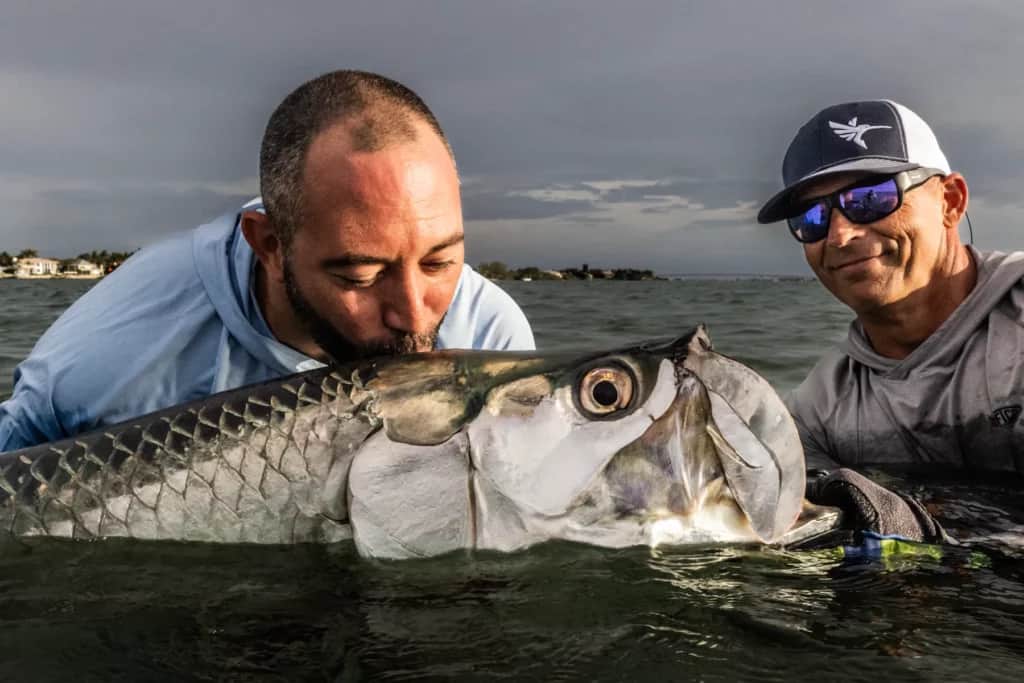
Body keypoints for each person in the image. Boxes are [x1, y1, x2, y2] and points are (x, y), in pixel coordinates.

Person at [0, 70, 535, 453]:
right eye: (360, 276)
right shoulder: (111, 360)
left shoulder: (491, 338)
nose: (416, 319)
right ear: (270, 245)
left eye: (439, 262)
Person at [758, 99, 1024, 542]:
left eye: (871, 198)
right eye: (813, 217)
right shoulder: (817, 415)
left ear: (950, 202)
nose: (840, 235)